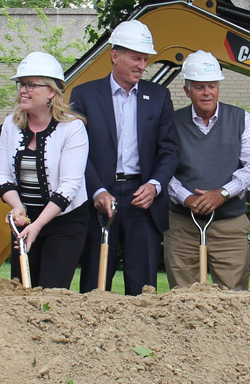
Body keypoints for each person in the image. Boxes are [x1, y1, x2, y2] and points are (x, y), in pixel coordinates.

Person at [72, 19, 178, 294]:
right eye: (136, 58)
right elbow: (76, 152)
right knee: (95, 284)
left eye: (145, 59)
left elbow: (169, 150)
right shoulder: (84, 95)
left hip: (143, 199)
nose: (142, 66)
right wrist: (96, 190)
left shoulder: (159, 96)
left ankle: (141, 334)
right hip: (99, 198)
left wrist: (155, 185)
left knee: (143, 287)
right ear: (115, 56)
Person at [162, 51, 250, 290]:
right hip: (182, 225)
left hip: (229, 224)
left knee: (233, 296)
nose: (207, 92)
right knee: (182, 297)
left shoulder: (241, 118)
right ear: (187, 91)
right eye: (199, 87)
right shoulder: (171, 122)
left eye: (212, 86)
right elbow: (162, 169)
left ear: (219, 87)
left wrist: (223, 193)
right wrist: (185, 197)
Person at [0, 52, 90, 289]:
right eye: (21, 85)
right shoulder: (11, 124)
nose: (23, 91)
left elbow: (69, 186)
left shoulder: (72, 128)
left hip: (64, 222)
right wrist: (18, 208)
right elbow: (2, 176)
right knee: (22, 289)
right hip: (24, 219)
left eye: (31, 85)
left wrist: (37, 226)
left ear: (51, 92)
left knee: (51, 292)